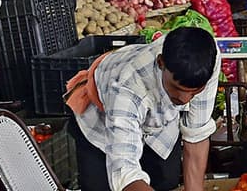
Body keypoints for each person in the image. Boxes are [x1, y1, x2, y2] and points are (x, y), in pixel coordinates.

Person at [67, 27, 218, 191]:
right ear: (161, 63)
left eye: (194, 92)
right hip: (103, 124)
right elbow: (125, 170)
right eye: (177, 88)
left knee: (165, 181)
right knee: (101, 186)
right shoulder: (127, 88)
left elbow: (196, 134)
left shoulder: (206, 58)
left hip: (159, 122)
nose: (184, 100)